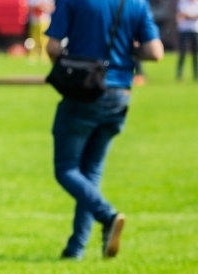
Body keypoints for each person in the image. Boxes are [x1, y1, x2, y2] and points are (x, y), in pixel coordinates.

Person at [45, 0, 163, 260]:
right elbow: (155, 51)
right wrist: (128, 51)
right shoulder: (137, 3)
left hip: (84, 91)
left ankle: (107, 215)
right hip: (120, 93)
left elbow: (53, 46)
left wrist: (66, 67)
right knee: (91, 173)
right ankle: (76, 249)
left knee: (66, 168)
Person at [176, 0, 198, 81]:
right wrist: (192, 16)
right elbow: (181, 14)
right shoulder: (182, 2)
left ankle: (196, 74)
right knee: (182, 53)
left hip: (195, 30)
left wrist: (188, 15)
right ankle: (179, 74)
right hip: (184, 30)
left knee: (195, 54)